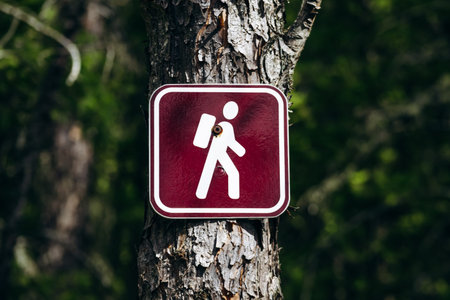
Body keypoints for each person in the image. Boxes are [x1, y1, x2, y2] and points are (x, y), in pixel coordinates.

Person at [195, 101, 245, 199]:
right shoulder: (223, 124)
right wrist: (240, 151)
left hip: (219, 153)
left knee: (209, 172)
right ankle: (233, 197)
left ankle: (202, 194)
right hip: (216, 152)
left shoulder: (226, 125)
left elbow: (231, 141)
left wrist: (240, 151)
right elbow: (230, 141)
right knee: (231, 172)